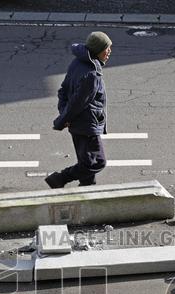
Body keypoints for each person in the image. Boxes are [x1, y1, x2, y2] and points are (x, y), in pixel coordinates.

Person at [45, 32, 112, 189]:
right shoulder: (92, 74)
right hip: (87, 125)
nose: (109, 51)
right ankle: (59, 178)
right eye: (106, 48)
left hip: (78, 124)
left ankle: (86, 191)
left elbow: (63, 91)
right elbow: (77, 103)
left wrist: (64, 114)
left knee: (87, 165)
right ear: (97, 50)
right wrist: (63, 120)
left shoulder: (77, 63)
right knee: (97, 162)